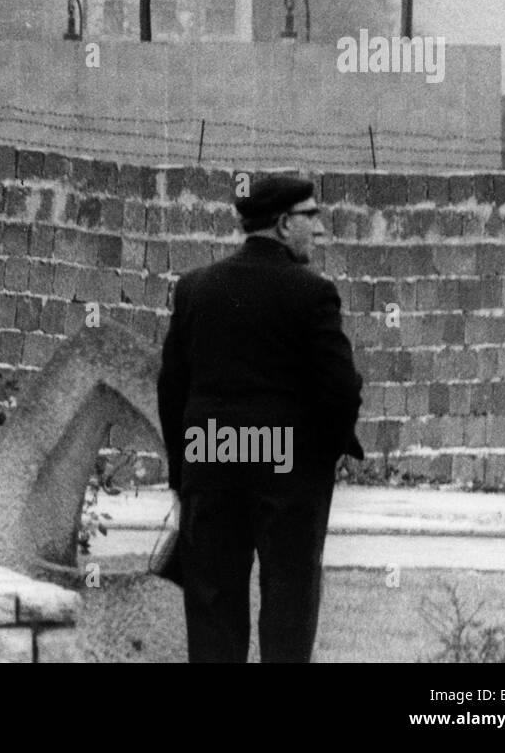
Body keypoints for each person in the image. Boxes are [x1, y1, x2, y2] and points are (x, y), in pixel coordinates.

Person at [157, 174, 364, 662]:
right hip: (286, 466)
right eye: (311, 216)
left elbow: (172, 388)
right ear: (283, 222)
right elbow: (342, 388)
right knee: (289, 602)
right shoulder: (312, 293)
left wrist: (181, 475)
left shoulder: (194, 289)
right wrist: (328, 452)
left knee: (212, 605)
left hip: (211, 457)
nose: (321, 229)